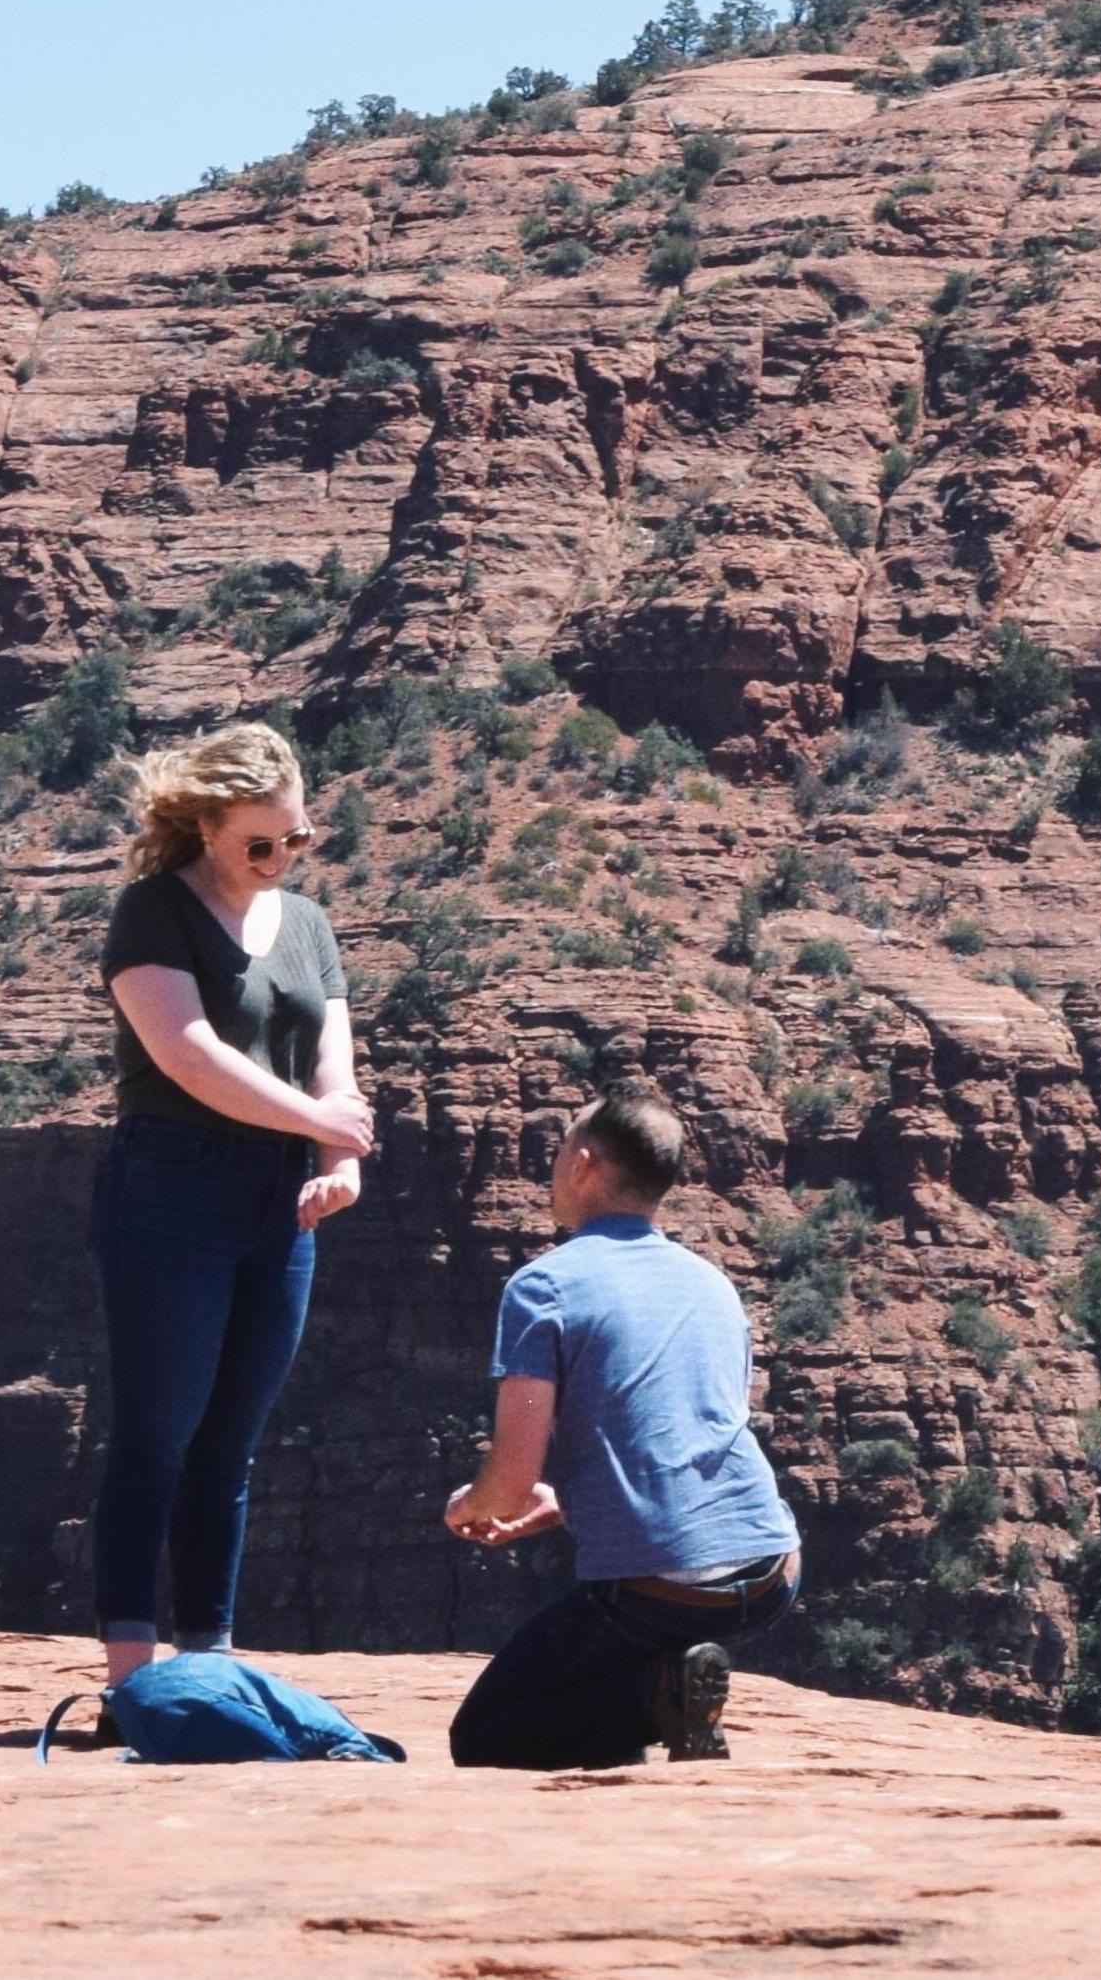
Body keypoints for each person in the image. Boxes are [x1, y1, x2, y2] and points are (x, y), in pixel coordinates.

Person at [90, 719, 376, 1687]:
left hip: (278, 1199)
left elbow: (334, 1056)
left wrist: (343, 1155)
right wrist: (317, 1120)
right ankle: (132, 1677)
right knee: (154, 1431)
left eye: (296, 838)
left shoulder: (308, 926)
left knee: (231, 1441)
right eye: (261, 842)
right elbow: (186, 1054)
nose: (282, 857)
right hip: (169, 1183)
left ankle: (207, 1663)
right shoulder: (152, 911)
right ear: (206, 825)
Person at [442, 1084, 801, 1769]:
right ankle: (675, 1687)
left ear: (582, 1162)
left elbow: (510, 1483)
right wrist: (559, 1505)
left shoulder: (543, 1287)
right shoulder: (711, 1282)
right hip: (771, 1572)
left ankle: (661, 1694)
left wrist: (474, 1505)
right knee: (599, 1662)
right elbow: (686, 1436)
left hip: (662, 1592)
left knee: (486, 1734)